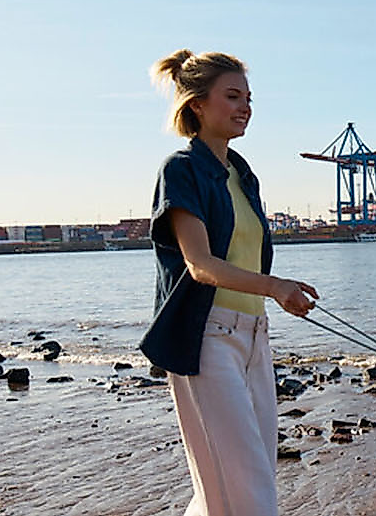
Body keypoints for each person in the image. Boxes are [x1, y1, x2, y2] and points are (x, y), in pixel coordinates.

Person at [141, 48, 319, 516]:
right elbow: (200, 265)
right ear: (197, 104)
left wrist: (277, 288)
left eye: (249, 98)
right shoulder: (180, 169)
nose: (245, 107)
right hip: (207, 339)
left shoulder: (241, 174)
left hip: (255, 338)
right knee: (247, 485)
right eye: (232, 95)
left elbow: (242, 255)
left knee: (241, 480)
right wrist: (275, 286)